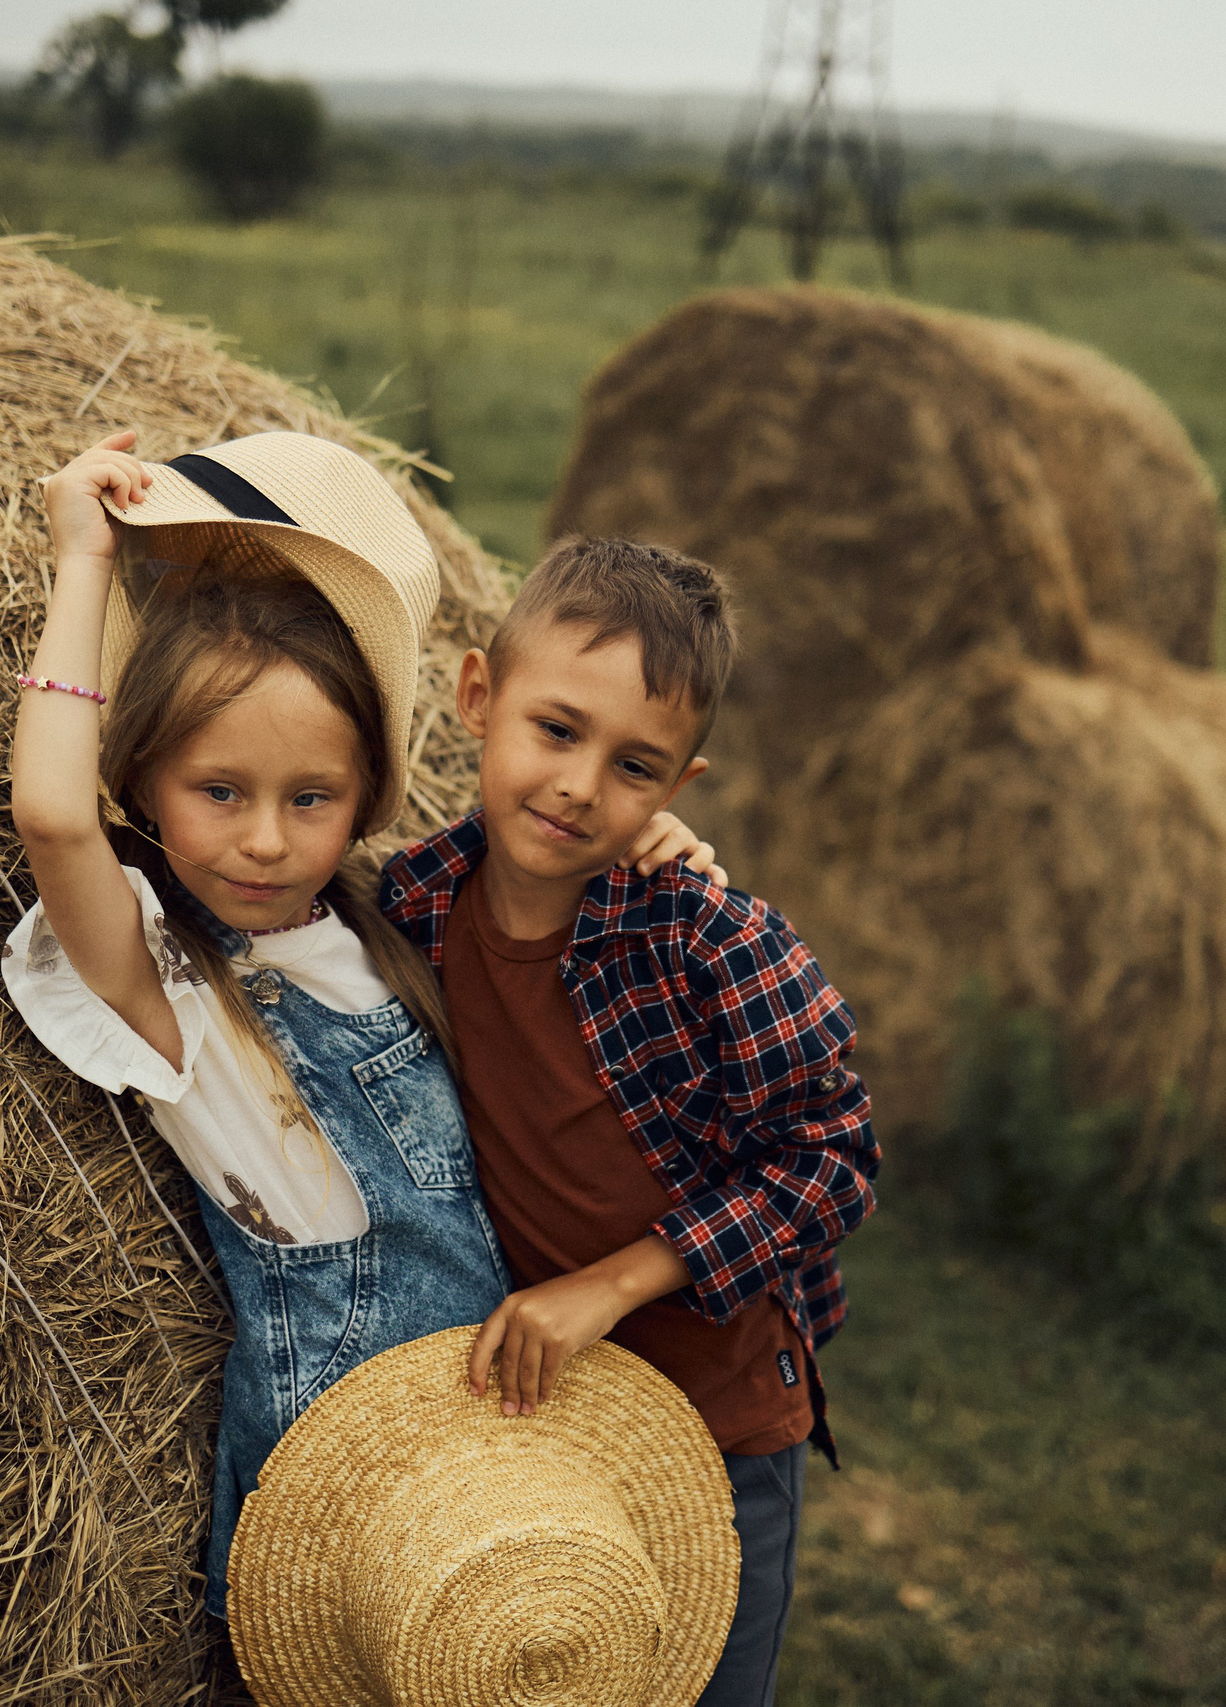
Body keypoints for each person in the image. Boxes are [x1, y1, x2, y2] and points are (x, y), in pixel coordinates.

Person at [0, 430, 722, 1622]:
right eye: (217, 792)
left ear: (366, 798)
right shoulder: (172, 986)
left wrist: (657, 851)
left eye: (311, 799)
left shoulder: (389, 929)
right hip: (332, 1455)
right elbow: (51, 816)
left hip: (488, 1415)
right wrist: (83, 561)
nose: (267, 841)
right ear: (143, 782)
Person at [381, 536, 880, 1707]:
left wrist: (612, 1282)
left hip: (717, 1425)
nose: (578, 786)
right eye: (556, 731)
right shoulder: (406, 909)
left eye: (634, 767)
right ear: (475, 697)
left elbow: (835, 1160)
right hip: (532, 1417)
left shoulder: (709, 942)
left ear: (679, 789)